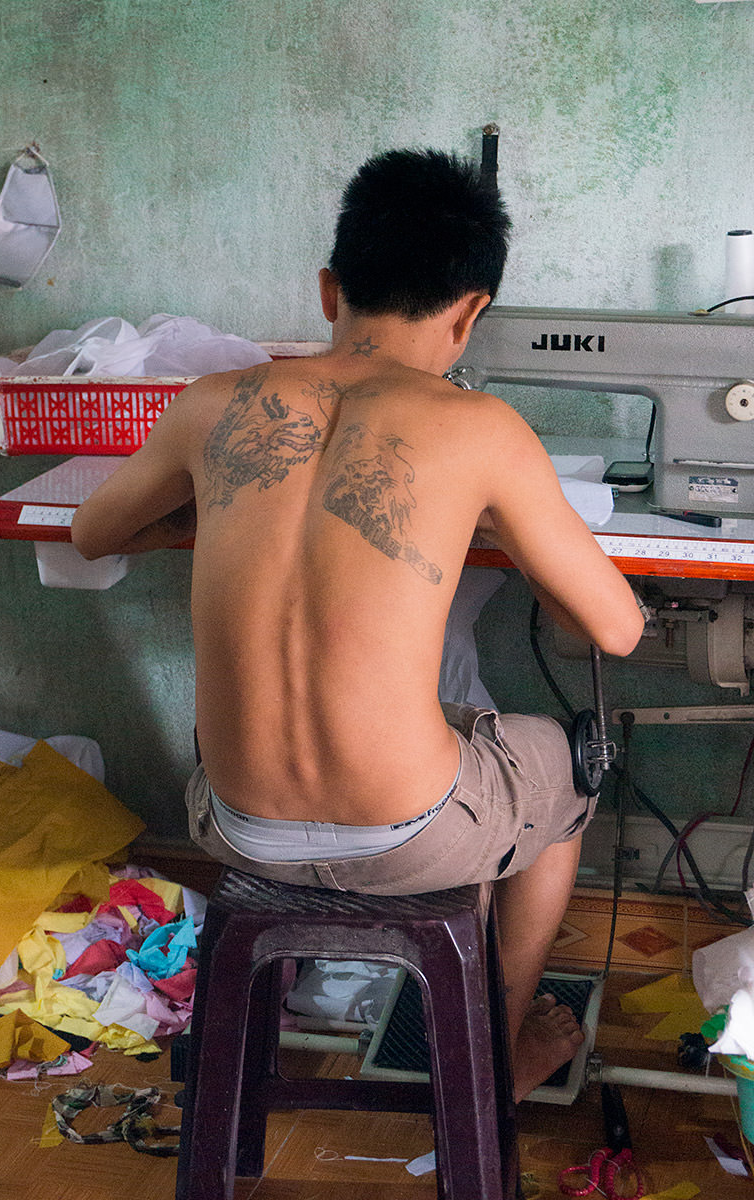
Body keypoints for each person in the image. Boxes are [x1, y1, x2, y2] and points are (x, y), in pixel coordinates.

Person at [71, 148, 644, 1099]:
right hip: (408, 838)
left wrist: (217, 509)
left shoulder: (216, 404)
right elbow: (616, 630)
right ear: (471, 312)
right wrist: (491, 515)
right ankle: (493, 1055)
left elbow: (95, 533)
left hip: (227, 823)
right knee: (562, 775)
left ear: (331, 287)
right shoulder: (482, 428)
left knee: (426, 731)